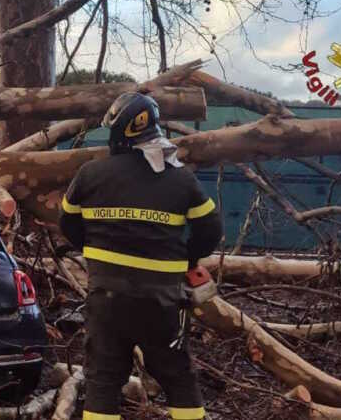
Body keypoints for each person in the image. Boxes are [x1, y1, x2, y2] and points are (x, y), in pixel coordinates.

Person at [59, 92, 223, 420]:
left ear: (117, 131)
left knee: (103, 380)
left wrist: (96, 255)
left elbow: (68, 224)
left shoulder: (90, 174)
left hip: (106, 297)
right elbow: (211, 232)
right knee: (178, 377)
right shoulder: (181, 179)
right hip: (162, 298)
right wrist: (185, 259)